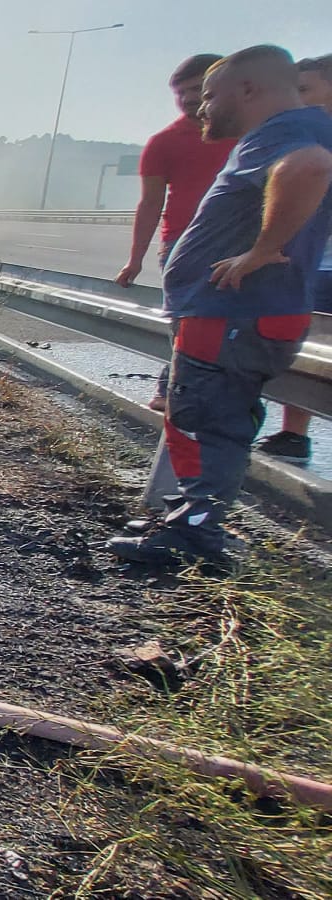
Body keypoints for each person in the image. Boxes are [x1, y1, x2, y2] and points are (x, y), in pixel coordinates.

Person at [109, 45, 332, 568]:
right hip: (249, 312)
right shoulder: (303, 128)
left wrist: (262, 250)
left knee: (204, 418)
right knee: (210, 414)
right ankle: (190, 517)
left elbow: (308, 169)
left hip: (232, 314)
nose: (202, 108)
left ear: (249, 90)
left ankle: (194, 537)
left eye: (211, 96)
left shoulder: (286, 134)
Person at [117, 54, 237, 412]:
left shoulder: (254, 134)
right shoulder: (164, 143)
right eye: (179, 92)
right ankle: (176, 388)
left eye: (196, 89)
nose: (187, 99)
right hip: (183, 245)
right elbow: (151, 204)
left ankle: (209, 393)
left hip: (244, 245)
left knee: (232, 326)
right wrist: (135, 260)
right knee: (186, 320)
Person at [253, 54, 332, 462]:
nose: (295, 101)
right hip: (309, 264)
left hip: (321, 267)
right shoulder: (299, 138)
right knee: (304, 353)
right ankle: (293, 434)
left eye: (304, 90)